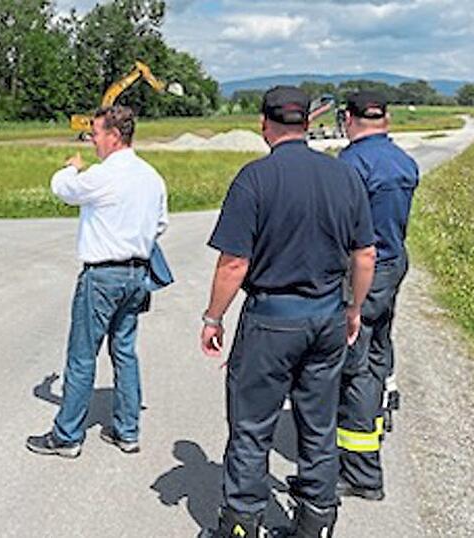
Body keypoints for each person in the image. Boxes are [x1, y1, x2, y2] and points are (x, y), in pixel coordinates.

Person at [199, 86, 376, 538]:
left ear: (265, 123)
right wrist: (353, 307)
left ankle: (241, 522)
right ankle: (315, 522)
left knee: (252, 424)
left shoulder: (255, 178)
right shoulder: (344, 176)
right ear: (308, 123)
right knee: (318, 425)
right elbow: (365, 255)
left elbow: (234, 263)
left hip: (272, 319)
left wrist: (213, 317)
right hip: (327, 315)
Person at [26, 105, 168, 458]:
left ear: (114, 136)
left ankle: (67, 436)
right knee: (124, 352)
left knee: (82, 355)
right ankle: (127, 430)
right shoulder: (152, 177)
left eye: (96, 134)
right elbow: (161, 224)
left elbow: (64, 190)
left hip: (103, 275)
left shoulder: (104, 175)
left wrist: (70, 168)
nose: (92, 141)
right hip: (138, 274)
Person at [335, 91, 419, 501]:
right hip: (394, 262)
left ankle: (361, 470)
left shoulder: (351, 163)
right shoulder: (403, 160)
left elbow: (343, 230)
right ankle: (381, 417)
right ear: (385, 118)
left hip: (365, 271)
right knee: (381, 346)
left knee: (356, 367)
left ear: (349, 119)